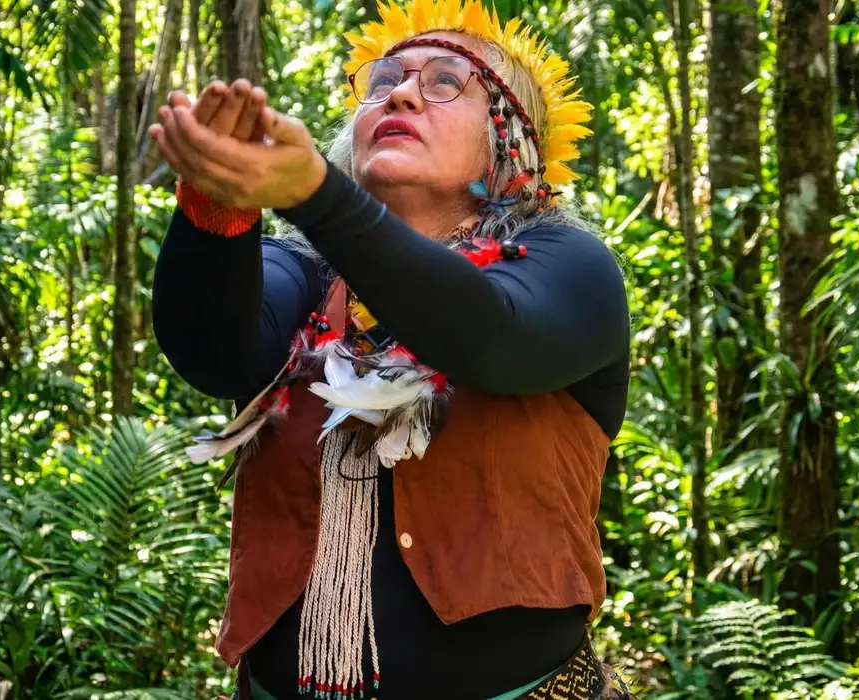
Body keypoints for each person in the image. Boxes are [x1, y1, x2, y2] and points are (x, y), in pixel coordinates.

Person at [149, 1, 633, 698]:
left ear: (513, 142)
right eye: (384, 80)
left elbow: (491, 336)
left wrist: (319, 196)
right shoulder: (304, 272)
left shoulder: (568, 265)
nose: (401, 93)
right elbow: (216, 353)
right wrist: (216, 206)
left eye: (445, 81)